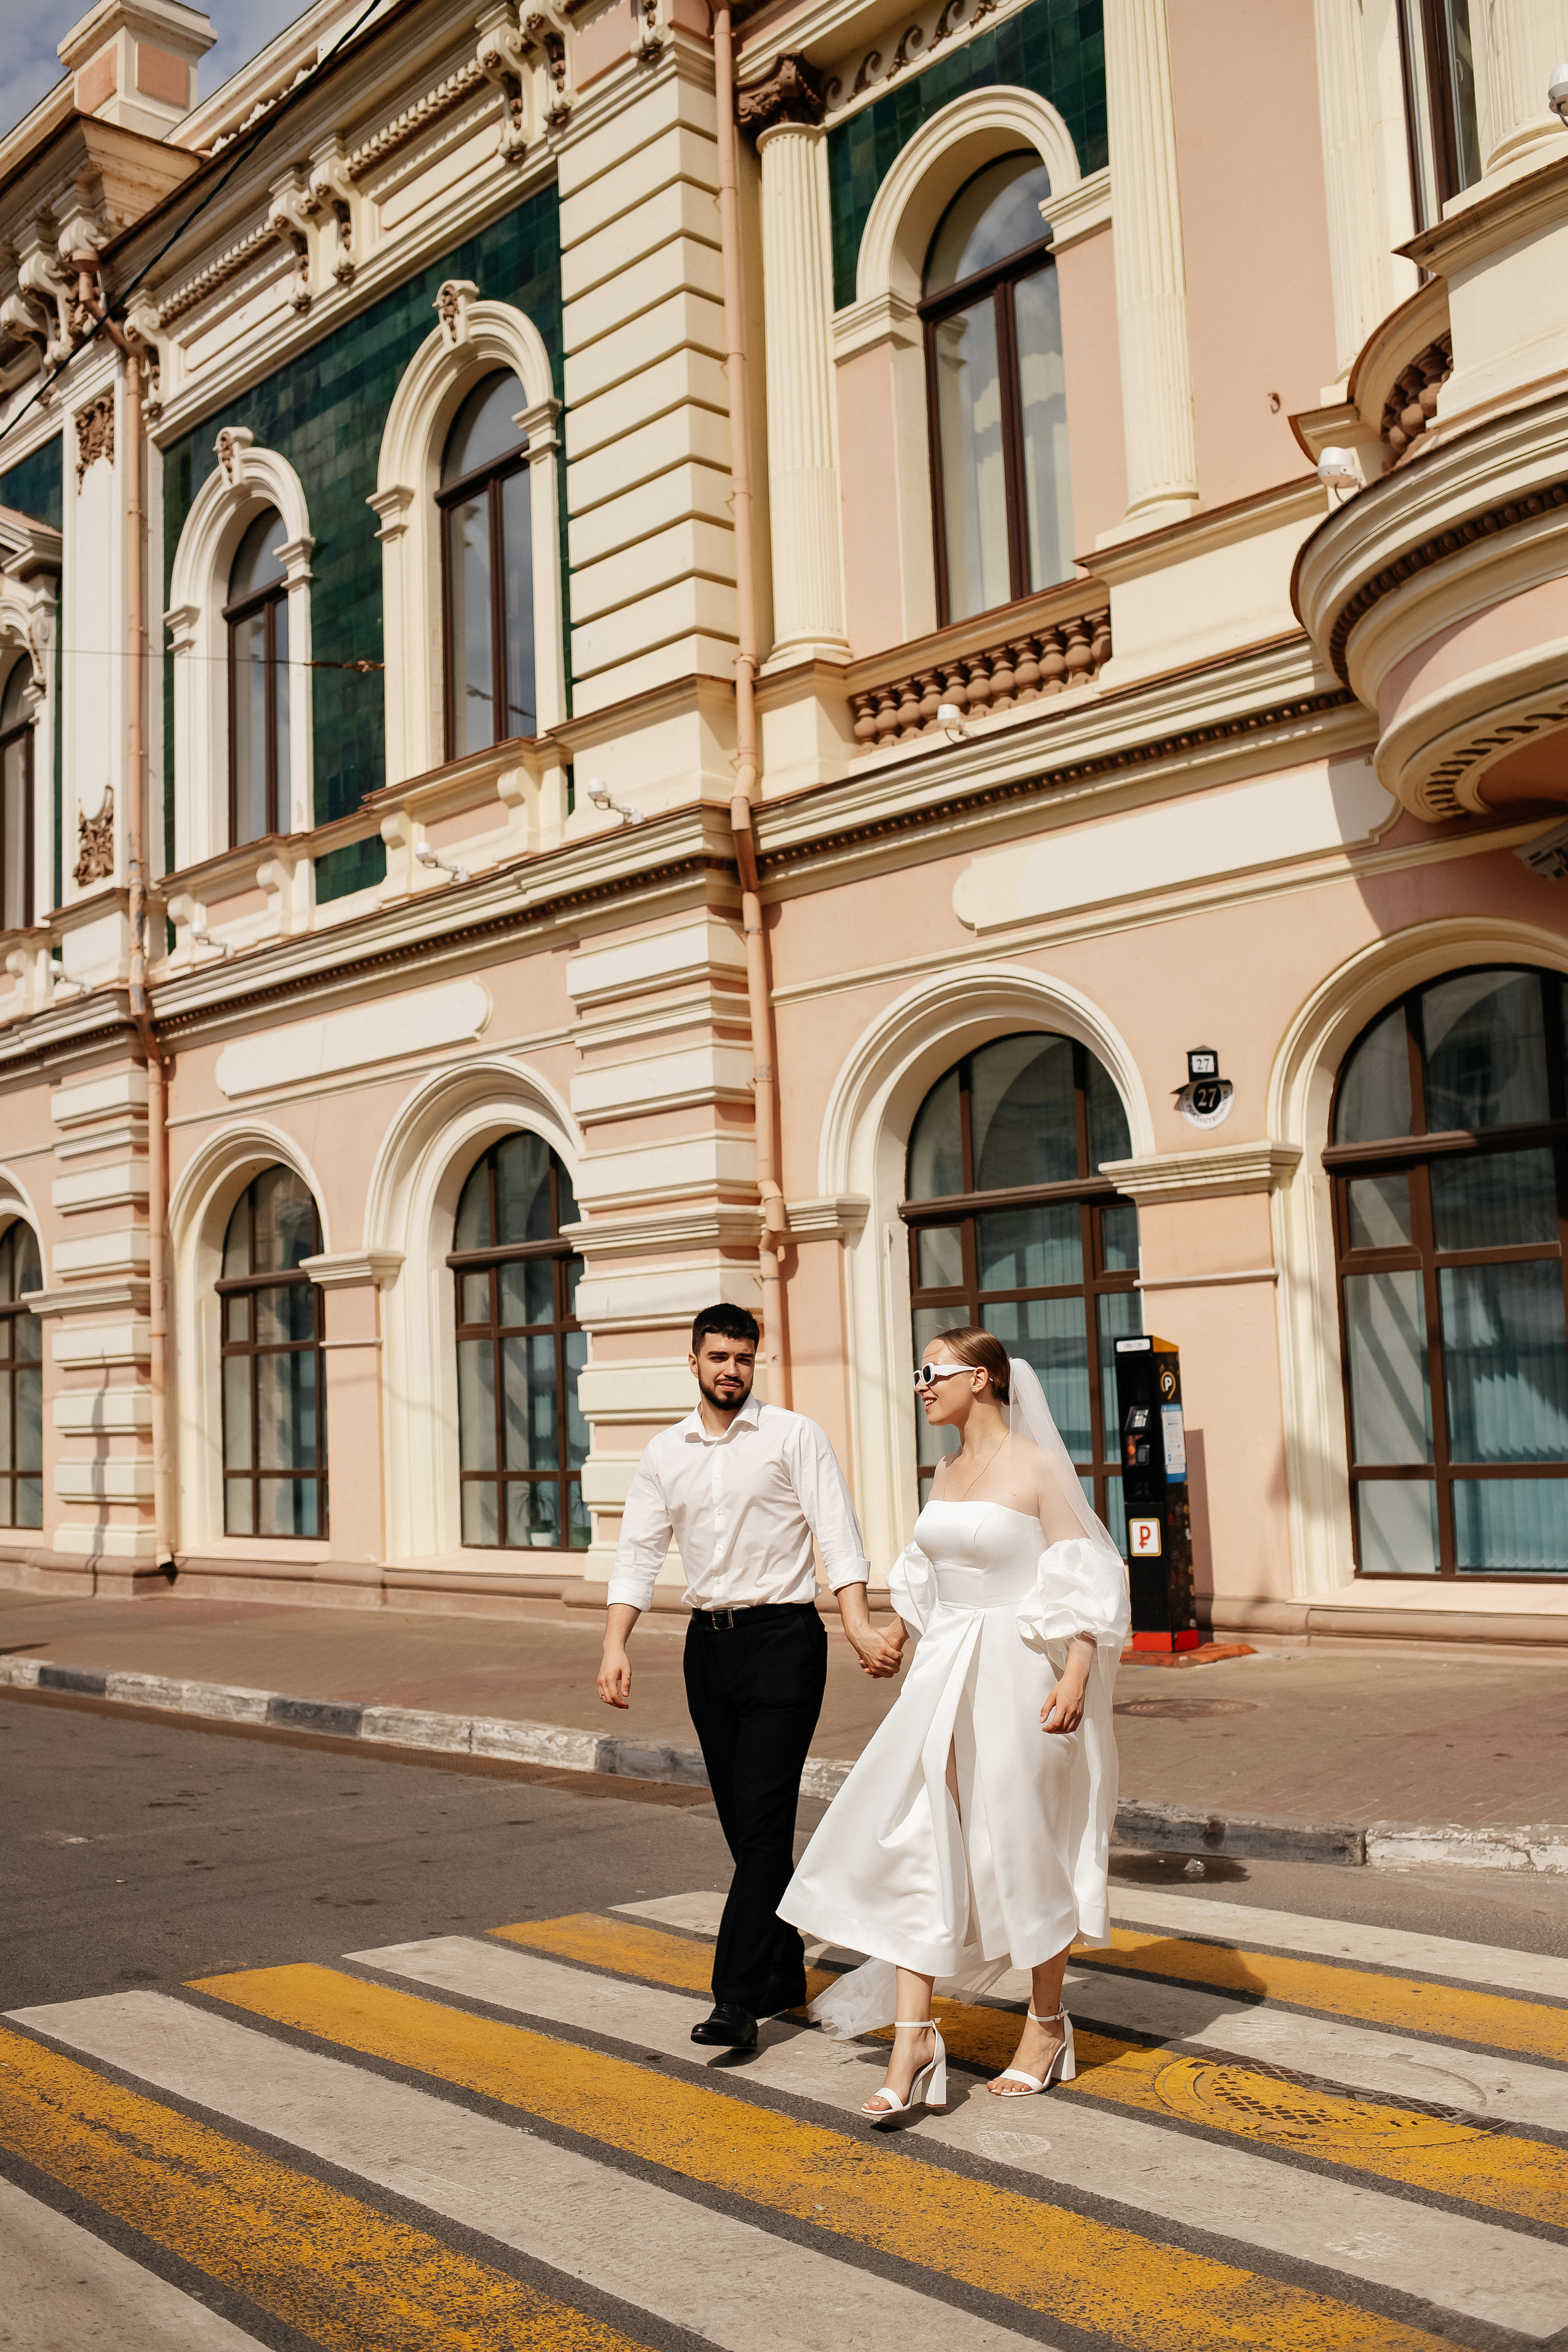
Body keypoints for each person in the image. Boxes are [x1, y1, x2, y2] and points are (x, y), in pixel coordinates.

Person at [777, 1326, 1129, 2123]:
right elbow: (927, 1571)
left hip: (1023, 1673)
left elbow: (1086, 1573)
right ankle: (913, 2040)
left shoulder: (1036, 1467)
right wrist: (897, 1630)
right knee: (918, 1836)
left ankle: (1045, 2027)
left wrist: (1077, 1672)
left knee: (1026, 1843)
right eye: (918, 1372)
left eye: (931, 1371)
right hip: (946, 1670)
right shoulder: (946, 1470)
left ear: (983, 1379)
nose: (921, 1385)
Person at [598, 1302, 902, 2049]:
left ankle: (734, 1999)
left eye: (742, 1358)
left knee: (763, 1823)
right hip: (708, 1647)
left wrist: (857, 1624)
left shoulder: (793, 1436)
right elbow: (637, 1552)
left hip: (783, 1642)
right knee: (745, 1830)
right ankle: (781, 1968)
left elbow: (838, 1532)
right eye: (717, 1357)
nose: (730, 1370)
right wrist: (615, 1643)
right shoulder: (664, 1452)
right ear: (693, 1362)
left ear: (753, 1361)